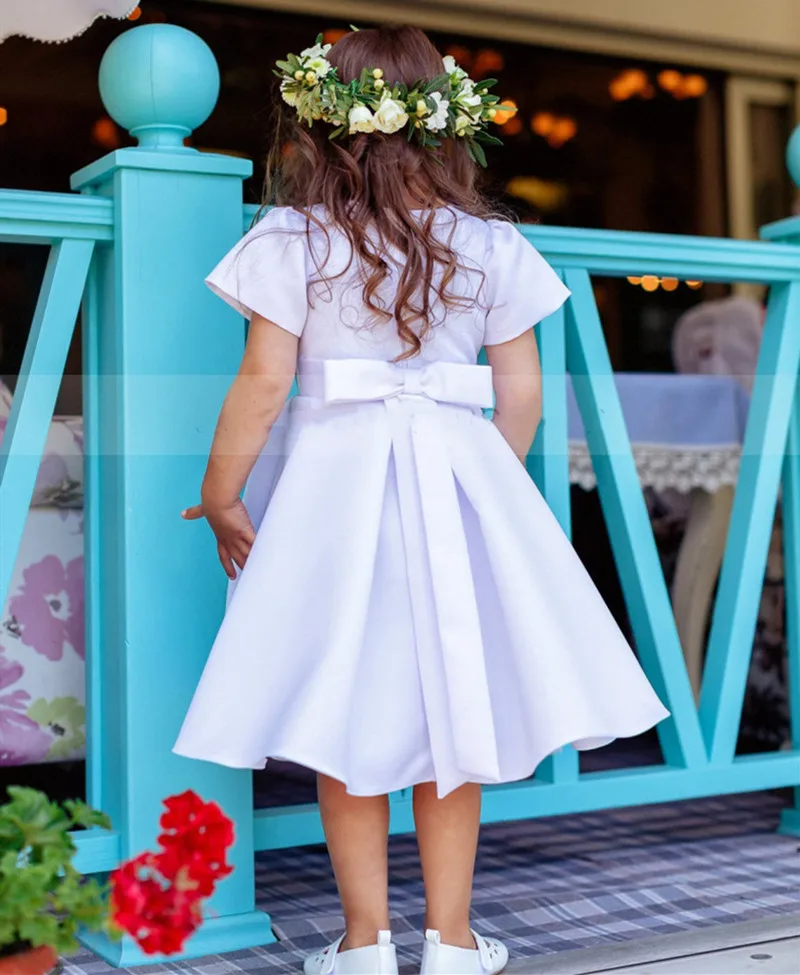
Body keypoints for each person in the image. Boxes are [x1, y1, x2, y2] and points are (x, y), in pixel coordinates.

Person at [174, 26, 669, 975]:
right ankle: (451, 941)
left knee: (341, 709)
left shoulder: (294, 237)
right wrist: (487, 483)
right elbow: (521, 392)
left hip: (332, 494)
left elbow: (265, 382)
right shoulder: (490, 241)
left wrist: (222, 489)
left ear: (321, 125)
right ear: (449, 128)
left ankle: (363, 945)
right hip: (455, 475)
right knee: (455, 710)